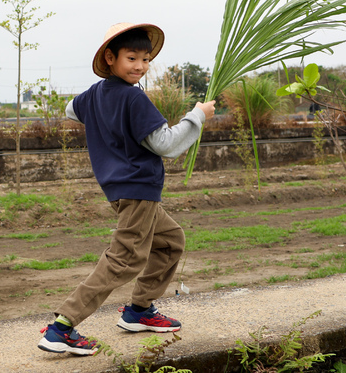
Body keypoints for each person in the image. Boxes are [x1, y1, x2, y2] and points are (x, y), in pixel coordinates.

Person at [37, 22, 216, 356]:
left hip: (121, 189)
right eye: (131, 58)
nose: (140, 66)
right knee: (124, 259)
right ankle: (62, 326)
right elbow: (165, 144)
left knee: (170, 242)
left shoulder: (94, 94)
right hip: (138, 188)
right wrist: (198, 116)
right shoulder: (133, 98)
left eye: (145, 59)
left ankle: (139, 310)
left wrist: (104, 121)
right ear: (110, 57)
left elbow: (70, 109)